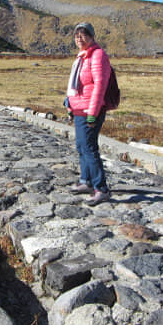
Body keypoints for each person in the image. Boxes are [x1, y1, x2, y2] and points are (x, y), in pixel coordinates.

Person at [64, 22, 112, 206]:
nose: (79, 38)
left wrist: (93, 112)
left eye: (83, 35)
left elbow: (100, 85)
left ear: (92, 36)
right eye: (77, 35)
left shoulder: (97, 55)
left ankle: (102, 188)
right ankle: (86, 181)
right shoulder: (82, 57)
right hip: (79, 109)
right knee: (81, 146)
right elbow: (76, 85)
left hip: (90, 110)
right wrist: (70, 104)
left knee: (89, 148)